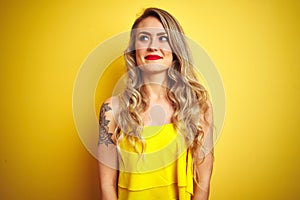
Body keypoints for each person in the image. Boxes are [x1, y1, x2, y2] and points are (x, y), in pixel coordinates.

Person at [98, 7, 214, 200]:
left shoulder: (199, 106)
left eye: (163, 38)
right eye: (144, 38)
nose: (152, 46)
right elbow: (106, 185)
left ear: (175, 50)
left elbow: (203, 183)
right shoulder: (111, 110)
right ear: (134, 50)